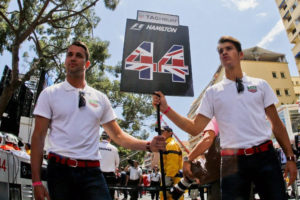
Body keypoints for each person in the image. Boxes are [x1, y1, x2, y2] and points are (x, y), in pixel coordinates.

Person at [152, 36, 298, 200]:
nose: (224, 52)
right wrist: (166, 109)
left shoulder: (260, 85)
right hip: (231, 162)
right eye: (221, 51)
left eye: (229, 49)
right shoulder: (213, 92)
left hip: (264, 156)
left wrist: (290, 157)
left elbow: (277, 125)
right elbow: (194, 127)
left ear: (241, 55)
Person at [31, 41, 166, 200]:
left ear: (86, 64)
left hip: (92, 173)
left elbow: (118, 136)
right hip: (60, 172)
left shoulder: (100, 99)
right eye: (70, 54)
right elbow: (38, 137)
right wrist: (36, 182)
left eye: (78, 55)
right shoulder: (50, 94)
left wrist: (149, 145)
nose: (73, 58)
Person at [159, 126, 183, 200]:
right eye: (160, 132)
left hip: (171, 179)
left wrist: (168, 179)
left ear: (170, 133)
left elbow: (173, 164)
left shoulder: (171, 144)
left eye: (163, 131)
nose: (160, 133)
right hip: (170, 178)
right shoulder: (167, 144)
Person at [99, 131, 120, 200]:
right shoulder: (114, 148)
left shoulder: (96, 146)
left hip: (97, 174)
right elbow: (117, 163)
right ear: (109, 138)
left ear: (102, 137)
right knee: (110, 195)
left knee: (97, 194)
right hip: (110, 176)